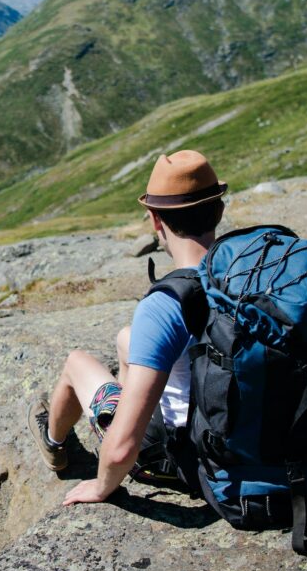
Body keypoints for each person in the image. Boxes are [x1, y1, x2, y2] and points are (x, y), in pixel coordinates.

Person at [27, 149, 227, 505]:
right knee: (127, 339)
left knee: (76, 363)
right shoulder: (244, 273)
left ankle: (54, 443)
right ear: (219, 210)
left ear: (155, 220)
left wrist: (101, 486)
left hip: (180, 457)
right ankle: (132, 395)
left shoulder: (166, 305)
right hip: (241, 433)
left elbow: (120, 454)